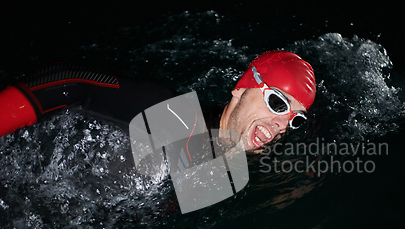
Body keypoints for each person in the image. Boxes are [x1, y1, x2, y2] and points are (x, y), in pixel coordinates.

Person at [0, 50, 316, 152]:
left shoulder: (235, 157)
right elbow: (72, 81)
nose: (280, 124)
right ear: (241, 88)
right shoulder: (179, 120)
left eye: (294, 119)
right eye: (278, 103)